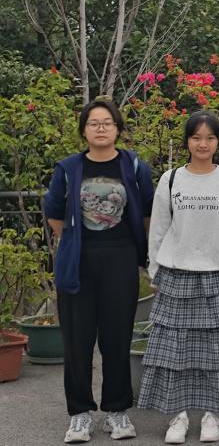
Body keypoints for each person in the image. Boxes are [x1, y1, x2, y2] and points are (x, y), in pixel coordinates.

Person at [139, 111, 219, 443]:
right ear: (187, 141)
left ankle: (211, 416)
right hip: (177, 275)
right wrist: (155, 270)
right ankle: (178, 417)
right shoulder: (171, 179)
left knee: (215, 353)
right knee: (176, 353)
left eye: (210, 138)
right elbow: (159, 228)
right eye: (196, 137)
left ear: (218, 142)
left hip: (217, 276)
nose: (203, 144)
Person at [44, 99, 153, 443]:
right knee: (77, 340)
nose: (101, 128)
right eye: (94, 123)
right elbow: (54, 213)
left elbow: (146, 213)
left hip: (120, 259)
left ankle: (117, 411)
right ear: (84, 130)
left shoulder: (134, 166)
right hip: (78, 261)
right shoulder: (68, 168)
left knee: (117, 338)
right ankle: (79, 414)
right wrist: (76, 241)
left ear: (118, 128)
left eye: (107, 122)